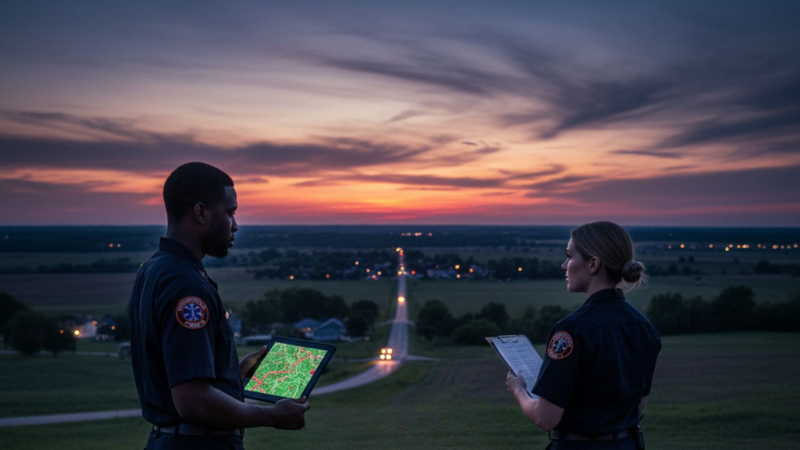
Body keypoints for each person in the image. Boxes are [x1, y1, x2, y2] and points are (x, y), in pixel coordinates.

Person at [128, 162, 310, 449]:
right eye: (230, 212)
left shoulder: (154, 269)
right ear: (201, 213)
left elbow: (175, 371)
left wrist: (234, 371)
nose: (235, 225)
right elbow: (192, 401)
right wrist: (272, 416)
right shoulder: (186, 286)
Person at [506, 221, 661, 449]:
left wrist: (519, 390)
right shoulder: (644, 326)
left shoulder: (572, 330)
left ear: (593, 264)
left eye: (570, 256)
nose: (564, 265)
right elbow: (638, 405)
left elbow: (545, 418)